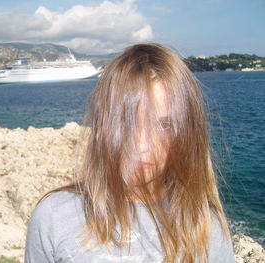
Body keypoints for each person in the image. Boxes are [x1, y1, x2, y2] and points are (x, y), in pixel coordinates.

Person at [25, 44, 235, 263]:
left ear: (188, 134)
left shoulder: (207, 228)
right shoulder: (53, 217)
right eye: (127, 122)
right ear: (103, 126)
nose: (142, 145)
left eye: (164, 125)